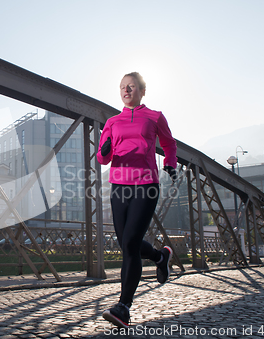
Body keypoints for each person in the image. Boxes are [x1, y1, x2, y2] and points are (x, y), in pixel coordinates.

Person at [97, 72, 177, 329]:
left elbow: (169, 144)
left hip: (146, 185)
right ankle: (159, 256)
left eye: (131, 86)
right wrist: (105, 151)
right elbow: (102, 158)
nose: (126, 90)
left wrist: (170, 163)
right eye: (122, 87)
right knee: (125, 243)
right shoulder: (111, 121)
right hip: (119, 185)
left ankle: (123, 307)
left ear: (142, 91)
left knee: (130, 242)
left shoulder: (154, 117)